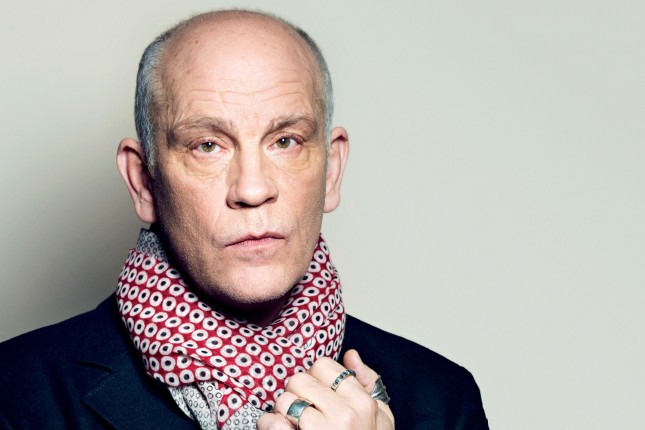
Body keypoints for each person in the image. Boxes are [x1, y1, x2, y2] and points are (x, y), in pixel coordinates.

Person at [0, 9, 488, 430]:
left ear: (331, 171)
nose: (252, 190)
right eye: (207, 145)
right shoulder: (16, 395)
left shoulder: (441, 399)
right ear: (144, 182)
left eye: (285, 141)